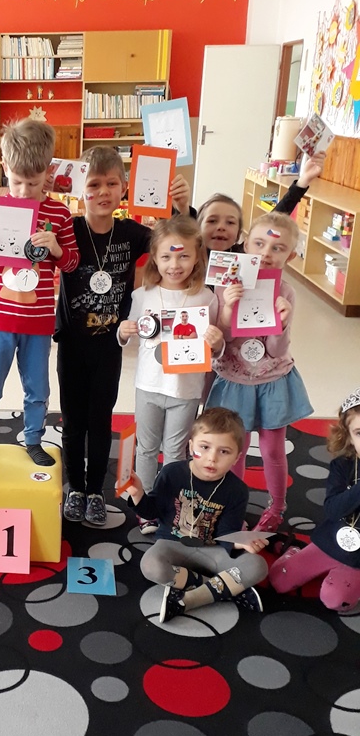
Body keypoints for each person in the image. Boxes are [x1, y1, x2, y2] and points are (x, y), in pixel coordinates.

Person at [55, 146, 191, 526]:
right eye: (93, 184)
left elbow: (176, 242)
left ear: (124, 188)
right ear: (80, 188)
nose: (103, 191)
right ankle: (75, 487)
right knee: (73, 421)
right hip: (71, 343)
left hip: (110, 345)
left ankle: (95, 490)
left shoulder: (131, 232)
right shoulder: (68, 229)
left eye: (111, 184)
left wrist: (181, 207)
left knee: (101, 420)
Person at [0, 119, 79, 479]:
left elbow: (72, 263)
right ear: (4, 167)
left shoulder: (60, 213)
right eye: (16, 181)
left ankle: (33, 439)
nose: (24, 190)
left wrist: (57, 249)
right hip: (0, 320)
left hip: (39, 322)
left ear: (48, 171)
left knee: (38, 390)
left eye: (33, 182)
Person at [206, 212, 313, 532]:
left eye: (277, 248)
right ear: (245, 245)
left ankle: (277, 507)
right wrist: (227, 308)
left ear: (289, 256)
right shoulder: (225, 286)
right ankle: (233, 507)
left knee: (272, 450)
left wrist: (282, 322)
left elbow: (277, 350)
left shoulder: (286, 292)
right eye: (259, 243)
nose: (266, 253)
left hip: (272, 381)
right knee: (233, 450)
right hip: (234, 379)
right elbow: (221, 340)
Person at [117, 217, 224, 532]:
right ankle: (146, 506)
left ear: (197, 257)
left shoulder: (206, 298)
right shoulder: (143, 295)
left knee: (176, 452)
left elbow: (214, 348)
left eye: (183, 256)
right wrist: (123, 331)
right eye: (166, 256)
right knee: (147, 448)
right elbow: (129, 335)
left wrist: (217, 343)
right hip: (149, 384)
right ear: (154, 257)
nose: (174, 265)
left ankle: (170, 505)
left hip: (186, 389)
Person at [126, 407, 269, 623]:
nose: (212, 458)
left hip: (212, 550)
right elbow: (152, 512)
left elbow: (226, 532)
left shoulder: (237, 490)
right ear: (191, 445)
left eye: (224, 452)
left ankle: (188, 600)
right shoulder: (172, 473)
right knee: (150, 565)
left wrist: (240, 542)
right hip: (171, 544)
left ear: (237, 458)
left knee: (258, 566)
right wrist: (137, 494)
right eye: (205, 447)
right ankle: (225, 588)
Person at [268, 388, 360, 612]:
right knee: (278, 581)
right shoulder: (344, 465)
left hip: (357, 559)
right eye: (359, 433)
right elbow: (332, 510)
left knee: (336, 600)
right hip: (331, 541)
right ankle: (293, 551)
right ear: (349, 436)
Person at [197, 151, 326, 255]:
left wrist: (303, 181)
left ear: (238, 234)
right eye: (212, 221)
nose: (221, 227)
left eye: (230, 222)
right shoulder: (191, 254)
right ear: (197, 228)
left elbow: (273, 219)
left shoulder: (243, 254)